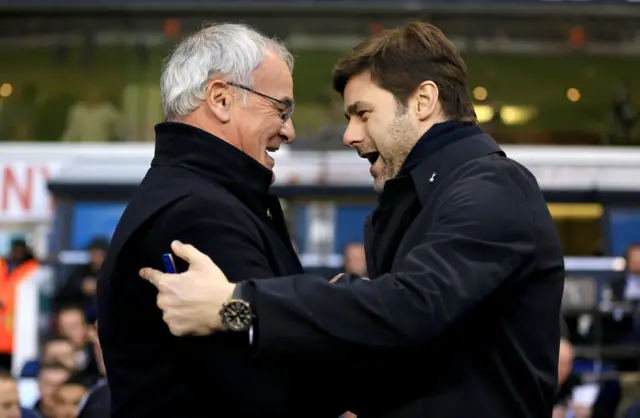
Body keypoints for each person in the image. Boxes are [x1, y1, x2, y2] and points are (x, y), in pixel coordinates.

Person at [141, 21, 565, 418]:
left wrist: (236, 304)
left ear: (423, 101)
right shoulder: (411, 204)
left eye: (363, 113)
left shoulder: (493, 186)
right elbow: (406, 353)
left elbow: (413, 306)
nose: (349, 135)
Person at [98, 22, 345, 418]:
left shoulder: (197, 197)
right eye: (281, 108)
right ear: (221, 99)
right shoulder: (199, 212)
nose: (290, 130)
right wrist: (332, 315)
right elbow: (267, 382)